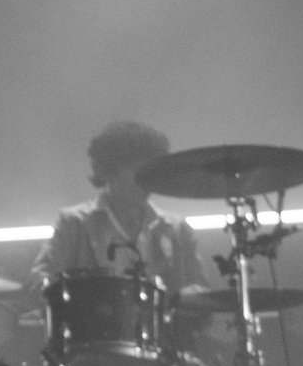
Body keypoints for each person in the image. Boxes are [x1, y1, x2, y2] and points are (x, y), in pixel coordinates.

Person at [30, 119, 199, 299]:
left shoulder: (177, 228)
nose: (146, 180)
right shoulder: (74, 222)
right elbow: (41, 281)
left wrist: (191, 295)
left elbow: (198, 288)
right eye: (137, 171)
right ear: (108, 171)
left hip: (163, 318)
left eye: (151, 172)